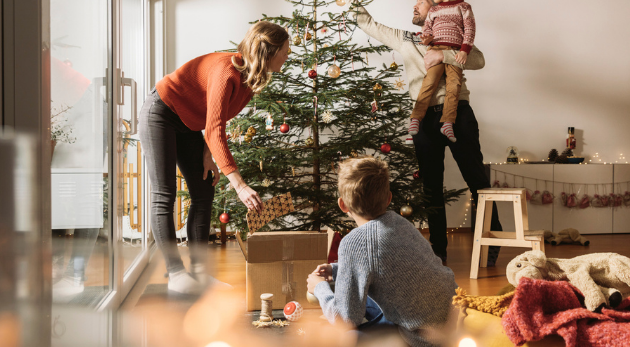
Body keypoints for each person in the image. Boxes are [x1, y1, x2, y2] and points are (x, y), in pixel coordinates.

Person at [328, 0, 501, 265]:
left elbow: (479, 60)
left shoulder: (458, 40)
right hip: (424, 120)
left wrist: (443, 53)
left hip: (458, 112)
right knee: (431, 185)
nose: (415, 6)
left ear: (437, 11)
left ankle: (493, 246)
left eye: (422, 2)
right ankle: (439, 252)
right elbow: (368, 23)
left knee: (478, 181)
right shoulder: (405, 38)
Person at [139, 21, 289, 293]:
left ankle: (199, 272)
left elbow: (217, 118)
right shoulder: (227, 70)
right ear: (270, 51)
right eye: (285, 51)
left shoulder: (251, 79)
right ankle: (175, 274)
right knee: (164, 193)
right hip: (161, 112)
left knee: (204, 189)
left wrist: (209, 154)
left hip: (187, 124)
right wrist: (240, 186)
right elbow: (215, 128)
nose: (288, 56)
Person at [307, 157, 457, 347]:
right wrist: (337, 269)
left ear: (342, 204)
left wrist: (319, 288)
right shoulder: (401, 223)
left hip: (424, 339)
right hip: (453, 320)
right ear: (388, 198)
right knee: (363, 294)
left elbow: (345, 321)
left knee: (333, 336)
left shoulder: (353, 242)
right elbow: (387, 264)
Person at [410, 0, 475, 143]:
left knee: (454, 86)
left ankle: (447, 122)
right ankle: (416, 117)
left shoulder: (463, 7)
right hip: (436, 49)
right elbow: (428, 29)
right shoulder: (433, 11)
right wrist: (426, 39)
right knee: (429, 82)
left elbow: (469, 30)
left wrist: (464, 50)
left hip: (454, 53)